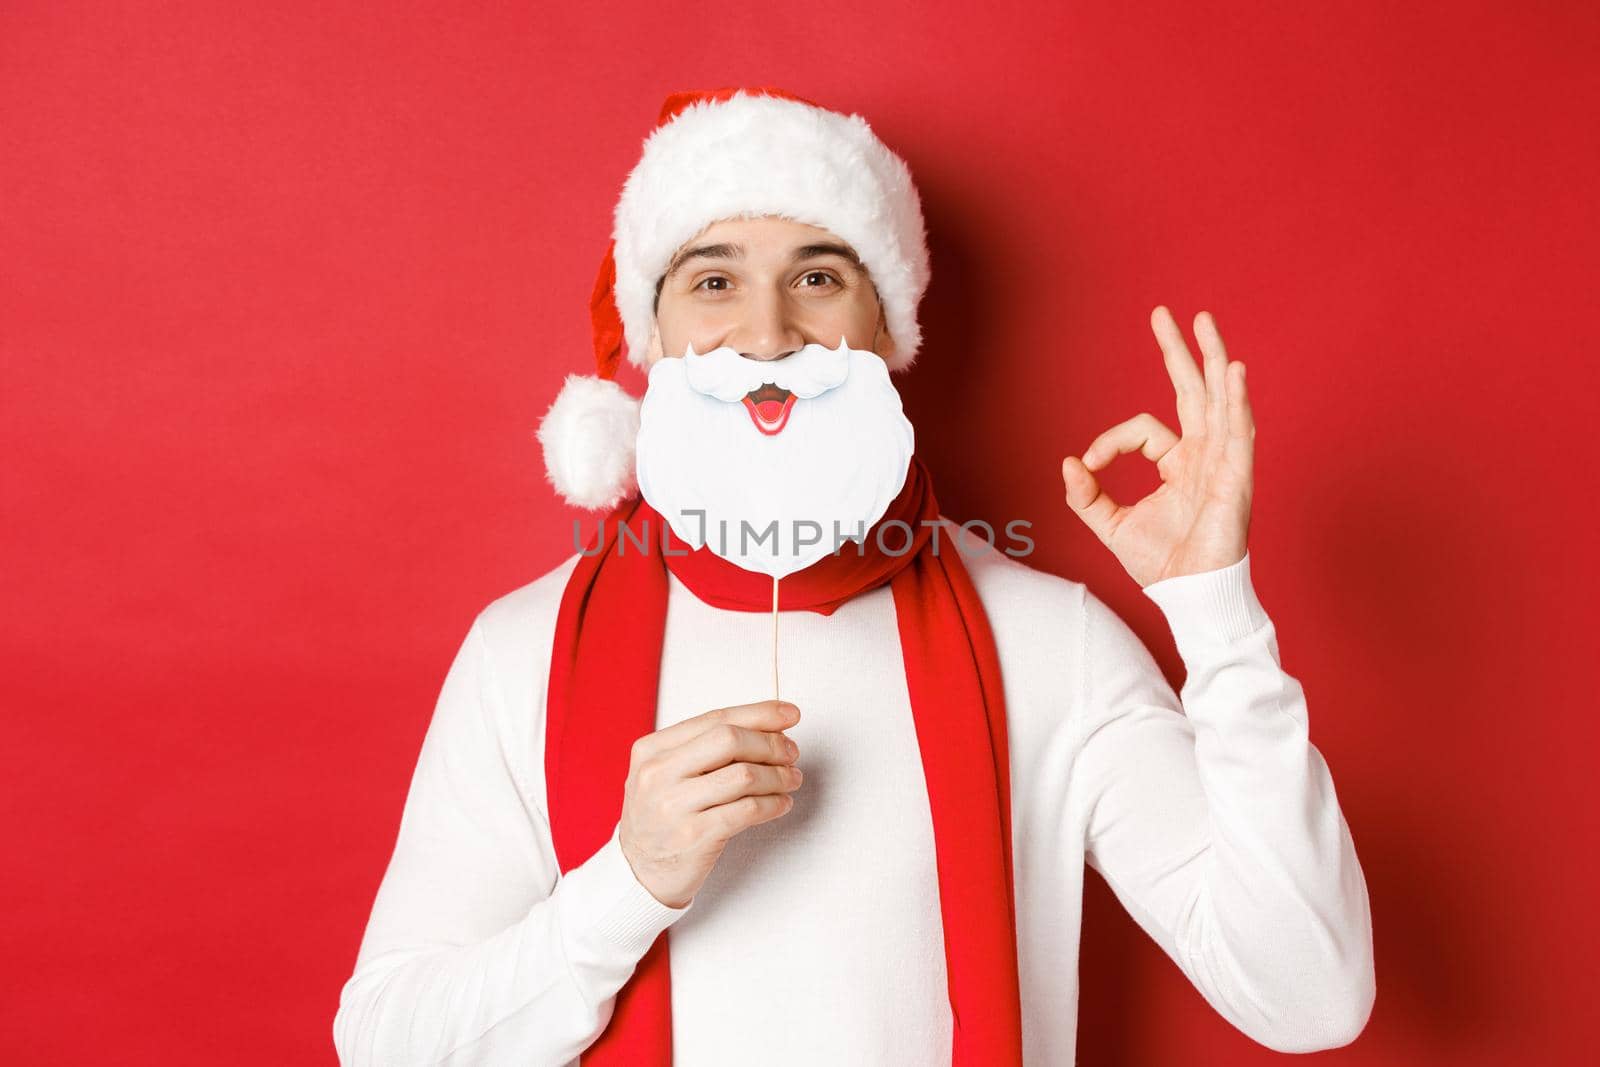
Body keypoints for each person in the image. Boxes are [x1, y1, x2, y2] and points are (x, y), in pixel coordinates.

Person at [332, 87, 1375, 1066]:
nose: (768, 334)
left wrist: (1215, 610)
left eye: (818, 277)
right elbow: (386, 1040)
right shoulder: (524, 651)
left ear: (886, 328)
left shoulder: (1046, 640)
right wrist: (628, 880)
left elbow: (1309, 996)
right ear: (654, 341)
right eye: (713, 281)